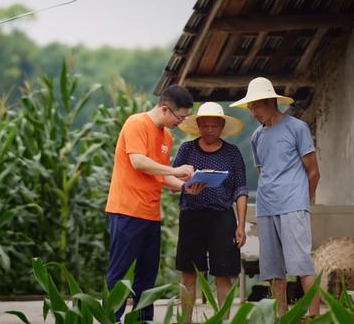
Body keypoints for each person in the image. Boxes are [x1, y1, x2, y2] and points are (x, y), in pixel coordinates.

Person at [105, 84, 203, 321]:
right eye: (180, 117)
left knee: (147, 275)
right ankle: (111, 318)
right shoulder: (136, 123)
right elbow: (139, 162)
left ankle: (143, 319)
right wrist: (176, 169)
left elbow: (161, 175)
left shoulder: (166, 136)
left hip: (151, 214)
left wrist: (185, 186)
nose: (181, 123)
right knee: (119, 272)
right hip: (127, 211)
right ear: (165, 109)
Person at [230, 77, 321, 316]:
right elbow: (264, 171)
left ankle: (313, 317)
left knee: (302, 263)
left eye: (256, 106)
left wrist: (305, 199)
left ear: (271, 101)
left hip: (293, 205)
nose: (252, 113)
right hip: (266, 206)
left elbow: (313, 172)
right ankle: (281, 316)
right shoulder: (257, 137)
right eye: (250, 108)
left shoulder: (297, 128)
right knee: (272, 269)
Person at [172, 102, 248, 323]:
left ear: (222, 127)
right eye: (205, 125)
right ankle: (185, 320)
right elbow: (175, 179)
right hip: (191, 215)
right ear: (198, 126)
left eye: (214, 126)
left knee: (223, 273)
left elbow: (241, 189)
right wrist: (187, 187)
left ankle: (223, 319)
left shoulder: (232, 153)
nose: (210, 130)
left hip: (222, 218)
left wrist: (241, 225)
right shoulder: (187, 149)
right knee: (188, 272)